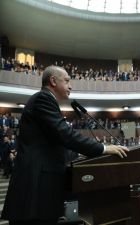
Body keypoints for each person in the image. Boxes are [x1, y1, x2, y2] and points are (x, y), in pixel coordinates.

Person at [1, 66, 129, 225]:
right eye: (67, 81)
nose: (71, 85)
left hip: (40, 192)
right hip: (35, 189)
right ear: (53, 81)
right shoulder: (43, 99)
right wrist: (102, 148)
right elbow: (65, 134)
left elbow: (53, 143)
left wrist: (79, 156)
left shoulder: (46, 101)